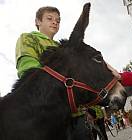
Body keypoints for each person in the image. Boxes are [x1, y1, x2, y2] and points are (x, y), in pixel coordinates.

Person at [15, 6, 88, 140]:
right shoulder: (28, 38)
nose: (55, 22)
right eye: (50, 18)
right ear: (37, 21)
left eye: (58, 20)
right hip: (49, 115)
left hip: (76, 114)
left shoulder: (63, 46)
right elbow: (28, 70)